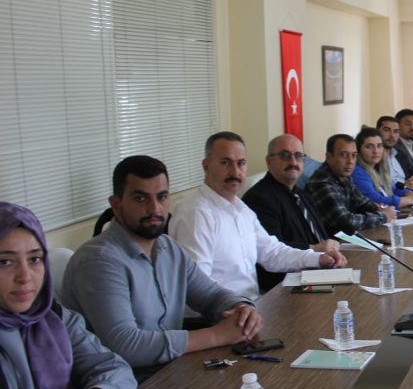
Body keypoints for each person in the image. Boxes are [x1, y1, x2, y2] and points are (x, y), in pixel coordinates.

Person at [59, 156, 262, 375]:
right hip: (125, 385)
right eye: (140, 198)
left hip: (171, 369)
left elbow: (211, 295)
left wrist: (242, 309)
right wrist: (217, 335)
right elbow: (126, 346)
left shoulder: (168, 247)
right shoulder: (98, 261)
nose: (154, 209)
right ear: (116, 205)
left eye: (162, 197)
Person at [0, 203, 138, 389]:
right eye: (5, 262)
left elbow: (116, 369)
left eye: (35, 259)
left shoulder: (53, 318)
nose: (25, 277)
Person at [170, 132, 344, 299]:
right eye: (225, 162)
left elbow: (272, 252)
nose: (235, 171)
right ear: (206, 165)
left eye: (241, 163)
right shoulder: (196, 214)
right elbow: (196, 285)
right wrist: (239, 307)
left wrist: (318, 258)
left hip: (252, 304)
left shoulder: (241, 209)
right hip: (222, 313)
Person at [242, 134, 347, 292]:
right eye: (285, 156)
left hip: (320, 270)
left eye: (298, 156)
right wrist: (315, 248)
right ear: (269, 161)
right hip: (286, 286)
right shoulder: (259, 198)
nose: (293, 162)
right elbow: (272, 250)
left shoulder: (301, 194)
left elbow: (320, 234)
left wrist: (331, 247)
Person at [306, 133, 393, 236]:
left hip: (346, 239)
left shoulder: (344, 177)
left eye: (354, 155)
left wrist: (378, 209)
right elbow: (346, 222)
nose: (350, 161)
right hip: (331, 242)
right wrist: (383, 216)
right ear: (328, 157)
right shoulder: (322, 182)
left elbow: (362, 202)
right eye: (344, 155)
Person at [351, 127, 413, 208]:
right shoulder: (357, 171)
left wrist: (408, 193)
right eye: (369, 147)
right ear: (358, 150)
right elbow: (375, 200)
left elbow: (392, 189)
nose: (376, 151)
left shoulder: (378, 169)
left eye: (379, 146)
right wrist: (408, 200)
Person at [377, 115, 413, 194]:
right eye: (387, 130)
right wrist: (404, 188)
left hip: (411, 196)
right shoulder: (374, 158)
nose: (392, 135)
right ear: (377, 132)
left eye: (396, 131)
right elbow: (381, 192)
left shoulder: (401, 154)